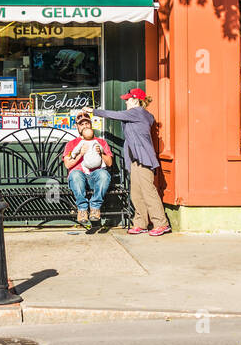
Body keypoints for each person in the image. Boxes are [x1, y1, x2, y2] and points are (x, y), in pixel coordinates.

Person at [94, 88, 169, 235]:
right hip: (135, 160)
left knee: (149, 192)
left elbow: (113, 115)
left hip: (144, 159)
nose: (126, 101)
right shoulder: (135, 114)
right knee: (136, 193)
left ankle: (161, 223)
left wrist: (93, 111)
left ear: (136, 100)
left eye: (128, 99)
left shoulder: (138, 112)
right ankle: (141, 223)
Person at [63, 117, 113, 225]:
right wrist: (80, 153)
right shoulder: (72, 144)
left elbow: (109, 163)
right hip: (79, 177)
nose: (85, 125)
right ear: (77, 126)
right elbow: (67, 164)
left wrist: (101, 153)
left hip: (95, 176)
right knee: (75, 174)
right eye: (81, 124)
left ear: (91, 125)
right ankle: (82, 210)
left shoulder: (100, 142)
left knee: (104, 175)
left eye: (87, 123)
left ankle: (95, 208)